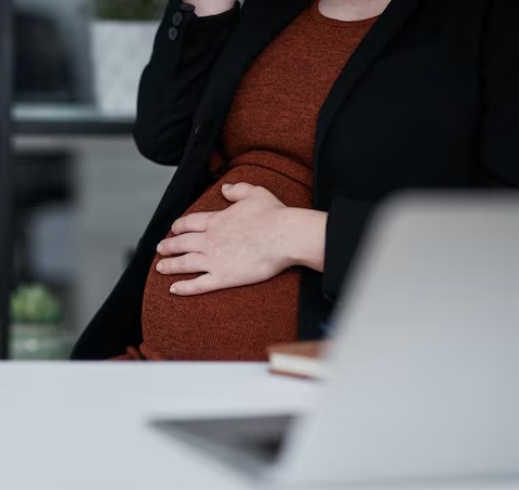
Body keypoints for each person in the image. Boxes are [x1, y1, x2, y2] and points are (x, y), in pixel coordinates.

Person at [72, 0, 519, 360]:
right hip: (154, 364)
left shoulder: (490, 21)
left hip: (344, 383)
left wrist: (296, 236)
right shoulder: (277, 9)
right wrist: (209, 7)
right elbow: (163, 138)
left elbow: (500, 237)